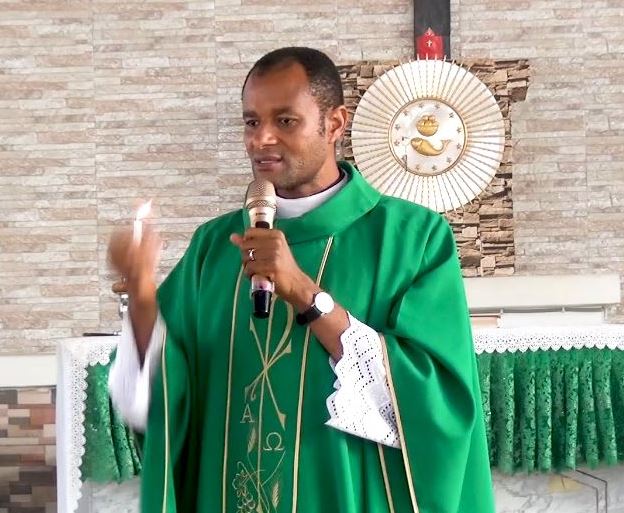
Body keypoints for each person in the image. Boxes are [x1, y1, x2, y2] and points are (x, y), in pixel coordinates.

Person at [107, 47, 494, 513]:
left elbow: (437, 403)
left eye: (285, 121)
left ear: (335, 124)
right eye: (252, 122)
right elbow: (162, 398)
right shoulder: (214, 246)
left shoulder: (413, 239)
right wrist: (142, 297)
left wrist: (305, 294)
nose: (262, 138)